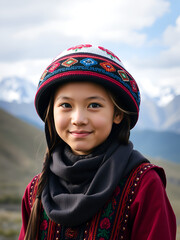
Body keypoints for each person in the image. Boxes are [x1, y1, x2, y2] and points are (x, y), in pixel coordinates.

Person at [19, 44, 176, 240]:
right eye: (66, 105)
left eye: (94, 105)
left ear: (117, 113)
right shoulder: (36, 191)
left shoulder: (143, 185)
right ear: (51, 113)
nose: (78, 118)